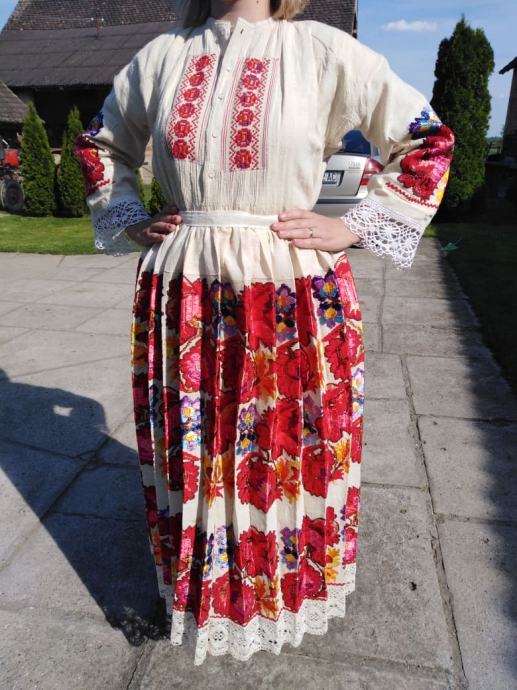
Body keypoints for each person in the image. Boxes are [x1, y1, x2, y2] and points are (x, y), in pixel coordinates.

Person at [76, 0, 455, 666]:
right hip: (186, 287)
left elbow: (426, 141)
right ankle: (207, 594)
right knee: (197, 448)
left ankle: (279, 593)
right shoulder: (162, 56)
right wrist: (129, 215)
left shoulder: (321, 50)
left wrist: (353, 225)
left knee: (279, 450)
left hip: (287, 289)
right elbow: (99, 144)